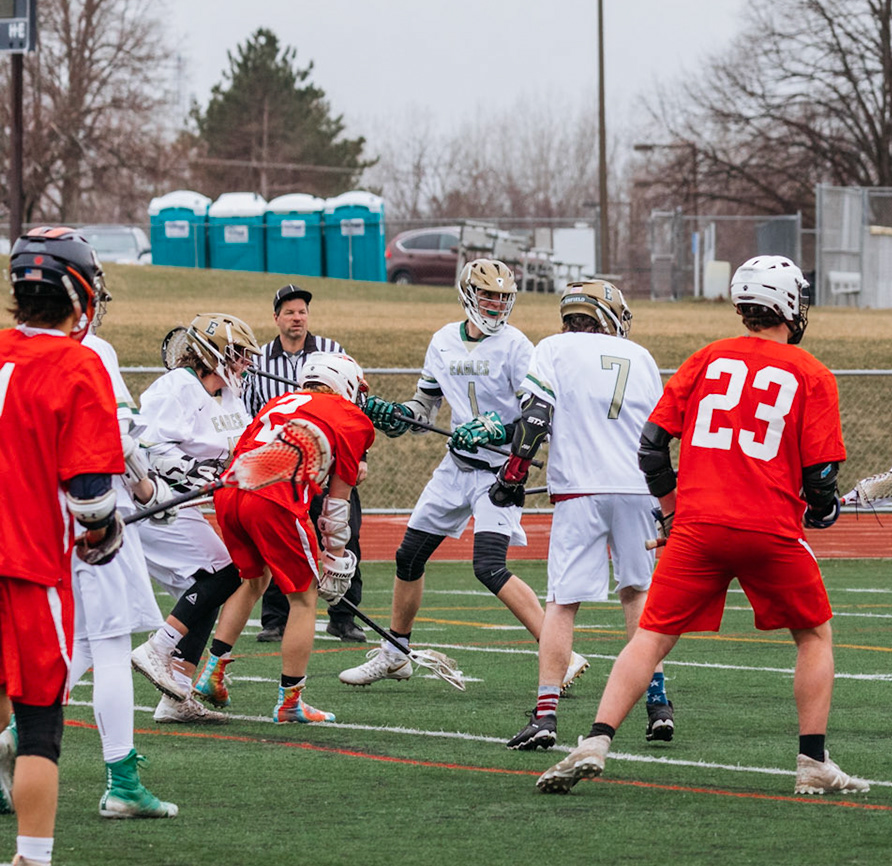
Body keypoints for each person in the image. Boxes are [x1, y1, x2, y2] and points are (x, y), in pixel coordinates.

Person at [536, 256, 861, 795]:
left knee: (649, 638)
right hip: (769, 529)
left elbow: (651, 446)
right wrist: (823, 506)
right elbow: (820, 474)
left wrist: (672, 510)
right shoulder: (812, 373)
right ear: (788, 305)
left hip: (697, 529)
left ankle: (594, 740)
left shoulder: (707, 358)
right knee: (813, 636)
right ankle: (812, 762)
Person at [343, 259, 587, 695]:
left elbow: (539, 418)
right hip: (455, 468)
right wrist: (394, 415)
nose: (495, 304)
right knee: (408, 557)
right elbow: (422, 412)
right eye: (488, 295)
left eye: (502, 297)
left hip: (500, 472)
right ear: (468, 295)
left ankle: (562, 656)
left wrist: (497, 430)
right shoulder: (443, 341)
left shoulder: (517, 346)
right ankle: (396, 653)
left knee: (489, 567)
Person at [139, 354, 374, 725]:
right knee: (305, 597)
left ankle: (212, 674)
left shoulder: (279, 402)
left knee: (253, 579)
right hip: (273, 497)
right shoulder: (350, 417)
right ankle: (290, 702)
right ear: (344, 383)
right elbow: (336, 506)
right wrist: (336, 557)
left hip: (231, 493)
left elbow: (240, 453)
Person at [488, 279, 671, 750]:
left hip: (580, 489)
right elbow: (659, 434)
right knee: (638, 592)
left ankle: (546, 714)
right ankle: (657, 703)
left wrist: (513, 474)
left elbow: (535, 418)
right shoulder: (642, 357)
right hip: (637, 486)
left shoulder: (553, 348)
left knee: (563, 602)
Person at [0, 226, 123, 866]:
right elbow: (90, 498)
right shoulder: (78, 366)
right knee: (40, 723)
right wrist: (104, 532)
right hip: (26, 563)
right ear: (78, 292)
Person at [69, 288, 178, 818]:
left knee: (66, 642)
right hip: (90, 511)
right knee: (110, 644)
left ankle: (13, 739)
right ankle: (123, 782)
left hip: (24, 517)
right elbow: (119, 436)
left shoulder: (6, 351)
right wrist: (148, 488)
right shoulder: (92, 351)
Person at [128, 313, 255, 723]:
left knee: (205, 589)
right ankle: (158, 647)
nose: (246, 362)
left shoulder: (229, 395)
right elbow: (147, 448)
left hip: (182, 503)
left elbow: (242, 446)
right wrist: (199, 472)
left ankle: (176, 695)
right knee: (225, 574)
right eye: (239, 354)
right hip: (153, 502)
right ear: (215, 353)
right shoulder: (176, 388)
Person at [248, 283, 360, 643]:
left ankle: (344, 616)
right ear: (276, 317)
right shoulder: (258, 360)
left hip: (330, 458)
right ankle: (275, 618)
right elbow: (251, 410)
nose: (297, 318)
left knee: (346, 531)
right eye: (290, 312)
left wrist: (359, 458)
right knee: (280, 538)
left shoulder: (331, 351)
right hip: (280, 467)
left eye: (302, 312)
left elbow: (351, 407)